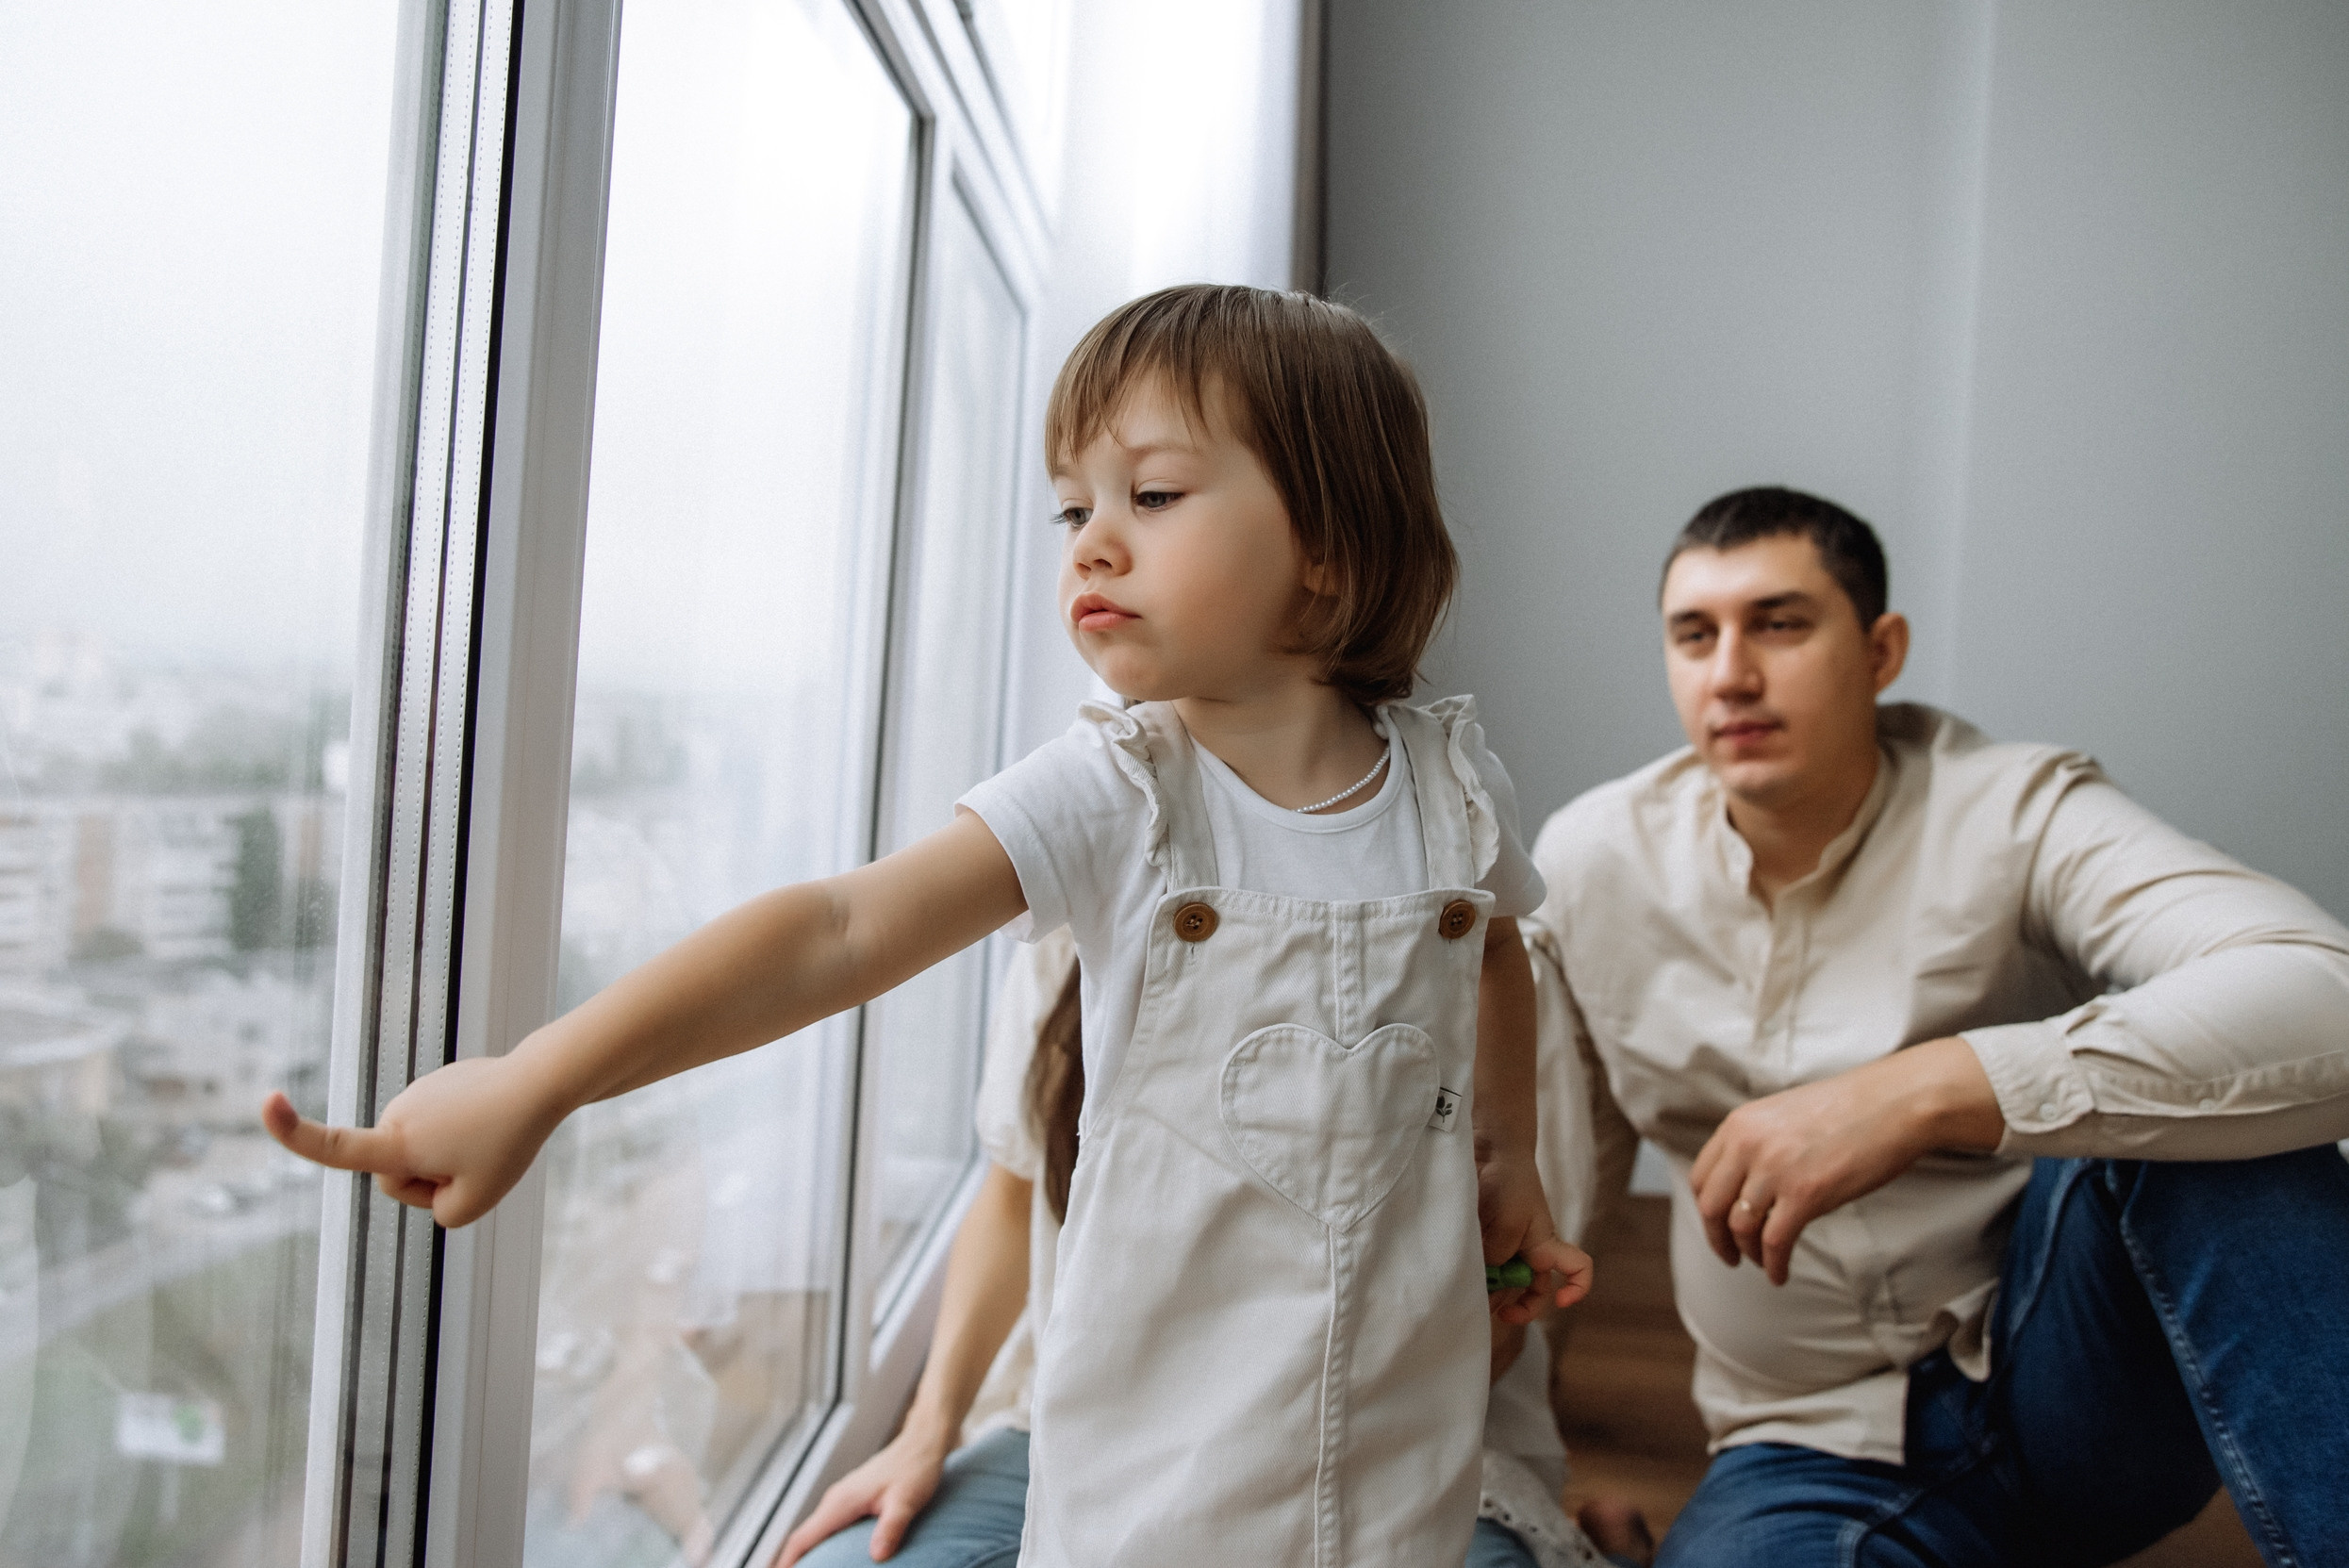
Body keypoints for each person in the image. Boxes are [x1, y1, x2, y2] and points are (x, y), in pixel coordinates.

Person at [263, 284, 1591, 1568]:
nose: (1089, 540)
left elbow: (1484, 942)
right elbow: (836, 928)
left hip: (1395, 1477)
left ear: (1328, 544)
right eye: (1073, 505)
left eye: (1152, 494)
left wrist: (1503, 1152)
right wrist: (539, 1076)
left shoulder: (1446, 785)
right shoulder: (1114, 790)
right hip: (1155, 1494)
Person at [1528, 486, 2349, 1566]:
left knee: (2221, 1114)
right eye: (1694, 634)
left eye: (1778, 622)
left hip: (2068, 1385)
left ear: (1879, 649)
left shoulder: (2014, 809)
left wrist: (1927, 1089)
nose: (1729, 672)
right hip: (1802, 1445)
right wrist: (1533, 1487)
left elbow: (2319, 987)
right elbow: (1552, 1202)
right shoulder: (1591, 860)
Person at [780, 933, 1629, 1568]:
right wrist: (924, 1434)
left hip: (1385, 1449)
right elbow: (1010, 1195)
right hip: (1077, 1431)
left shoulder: (1485, 963)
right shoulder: (1073, 927)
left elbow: (1501, 1318)